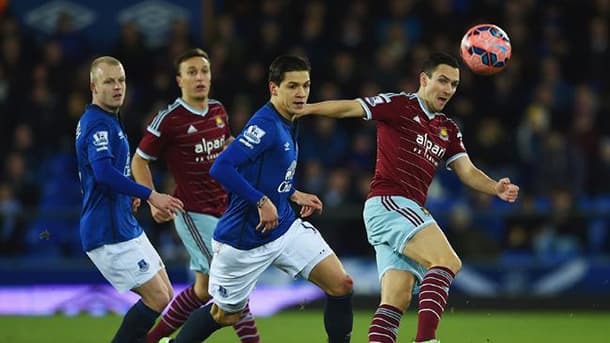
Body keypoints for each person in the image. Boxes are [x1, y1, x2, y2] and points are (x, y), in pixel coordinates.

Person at [300, 52, 520, 343]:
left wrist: (495, 187)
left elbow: (467, 171)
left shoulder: (448, 129)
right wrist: (307, 108)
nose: (448, 90)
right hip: (390, 202)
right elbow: (349, 108)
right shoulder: (399, 104)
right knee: (446, 262)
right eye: (442, 81)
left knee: (396, 301)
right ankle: (426, 340)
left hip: (402, 212)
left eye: (454, 84)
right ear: (424, 79)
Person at [164, 55, 354, 343]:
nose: (301, 93)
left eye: (306, 85)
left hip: (284, 227)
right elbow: (222, 167)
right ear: (274, 88)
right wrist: (261, 201)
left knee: (341, 285)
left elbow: (266, 171)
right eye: (292, 86)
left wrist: (291, 192)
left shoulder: (291, 119)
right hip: (244, 241)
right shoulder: (266, 125)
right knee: (224, 315)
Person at [131, 48, 261, 343]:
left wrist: (234, 146)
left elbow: (223, 144)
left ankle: (151, 341)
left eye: (204, 71)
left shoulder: (217, 110)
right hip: (193, 212)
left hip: (224, 208)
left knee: (203, 290)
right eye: (192, 72)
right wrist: (152, 197)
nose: (199, 77)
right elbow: (139, 159)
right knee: (233, 280)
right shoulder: (169, 119)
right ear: (179, 80)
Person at [75, 56, 184, 342]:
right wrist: (149, 194)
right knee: (158, 298)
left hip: (122, 222)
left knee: (166, 292)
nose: (117, 87)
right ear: (93, 86)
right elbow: (102, 173)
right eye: (109, 81)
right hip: (107, 230)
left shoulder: (110, 120)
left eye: (121, 80)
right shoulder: (98, 124)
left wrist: (128, 194)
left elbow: (111, 173)